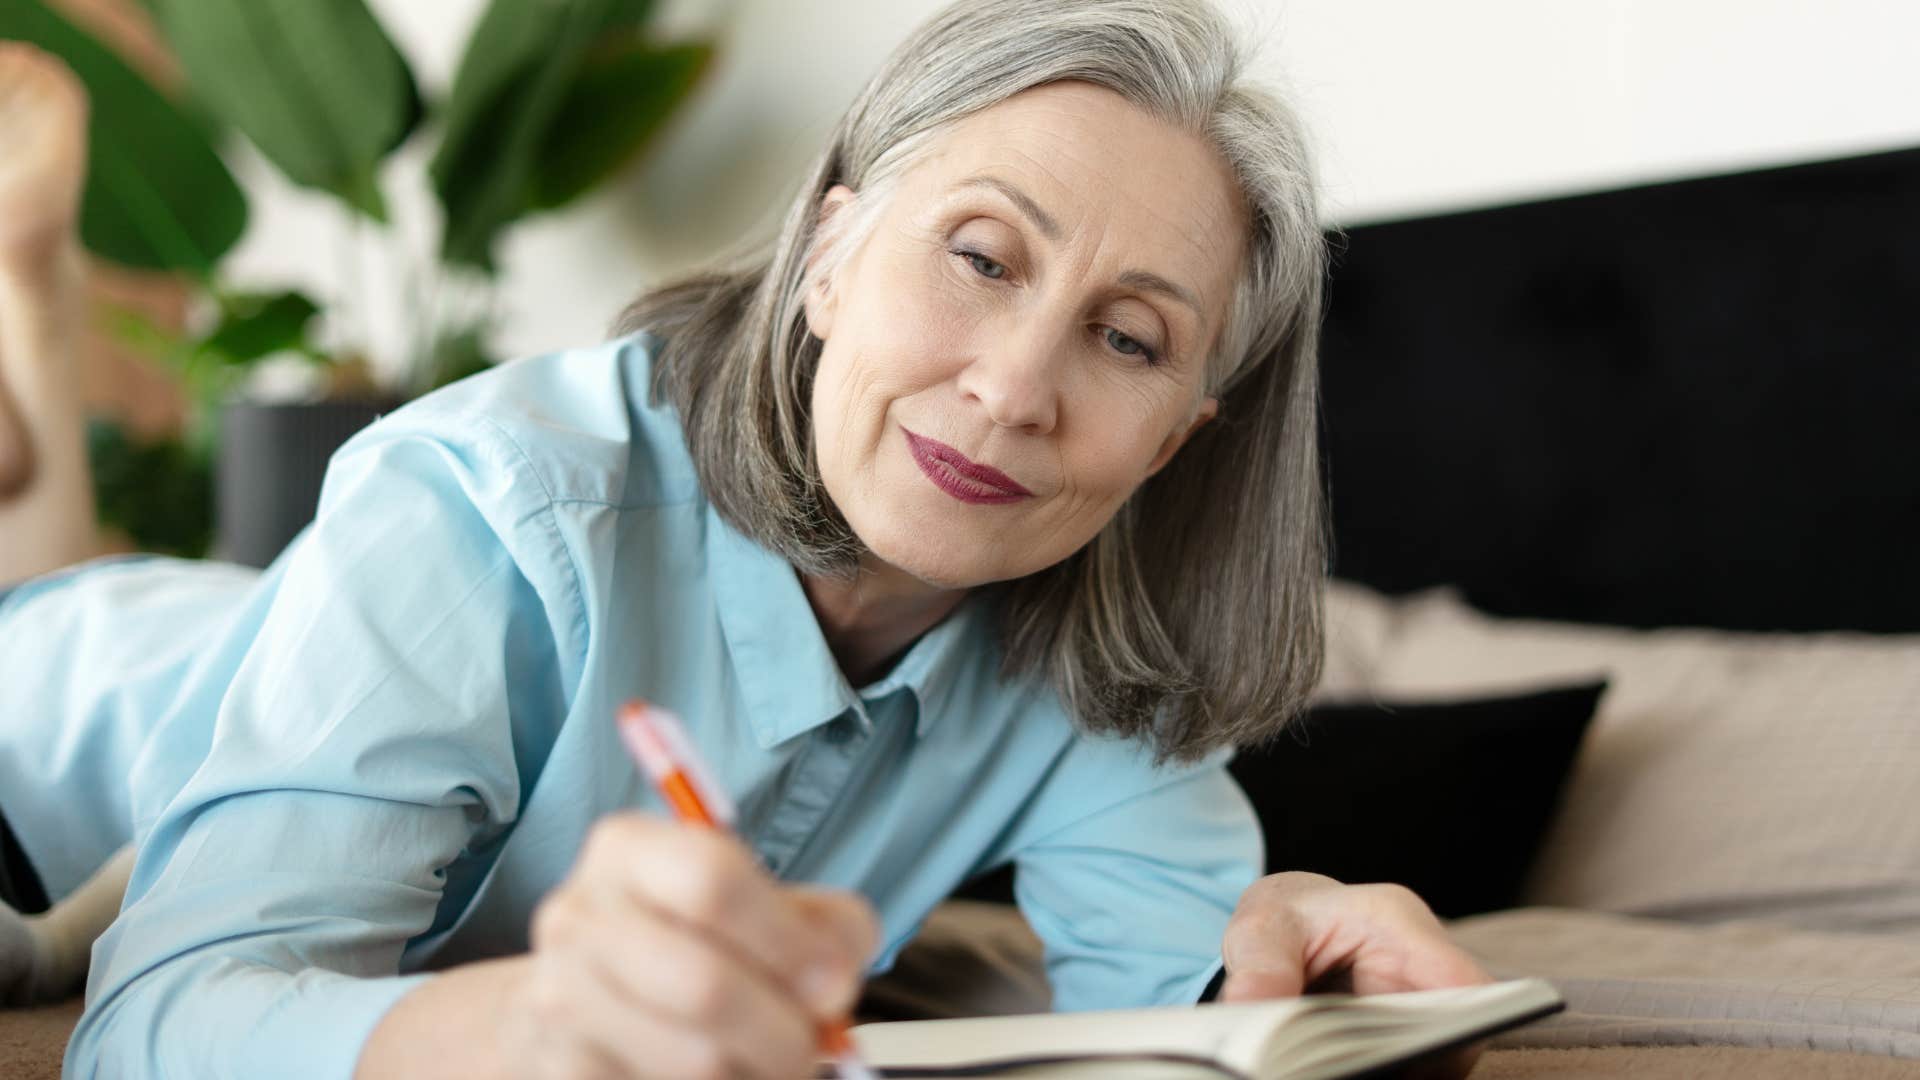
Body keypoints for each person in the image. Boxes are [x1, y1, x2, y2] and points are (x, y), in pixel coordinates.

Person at [0, 2, 1491, 1077]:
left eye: (1126, 339)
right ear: (831, 254)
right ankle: (35, 302)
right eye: (981, 256)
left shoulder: (1094, 648)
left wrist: (1296, 961)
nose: (1015, 387)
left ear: (1176, 438)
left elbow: (1181, 1024)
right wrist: (525, 1026)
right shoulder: (489, 505)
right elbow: (152, 1031)